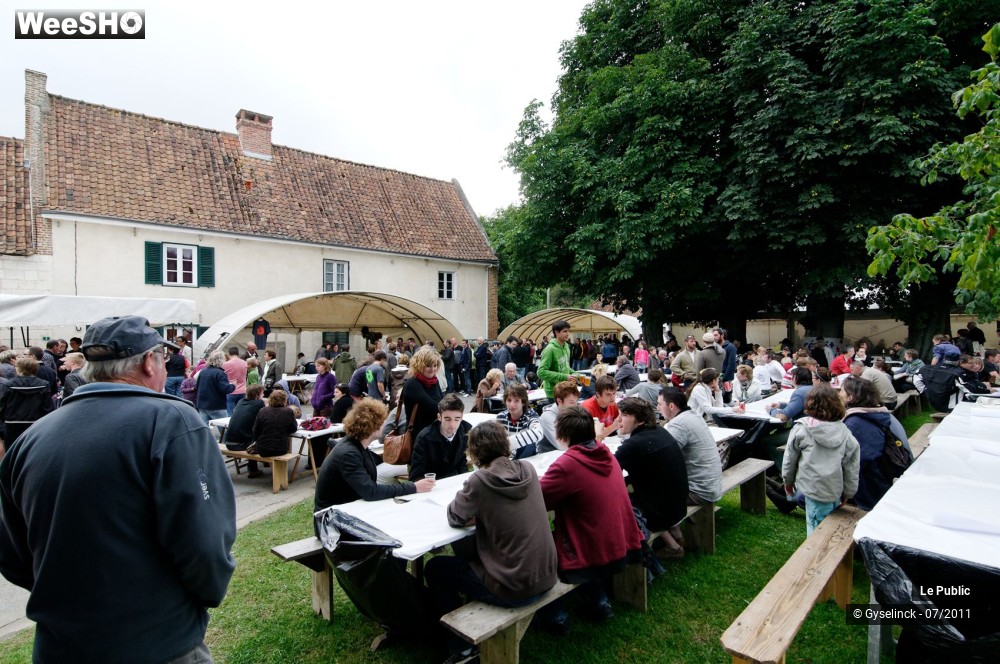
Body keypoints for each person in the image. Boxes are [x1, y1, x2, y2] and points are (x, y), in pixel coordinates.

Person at [0, 315, 235, 662]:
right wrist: (205, 594)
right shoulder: (171, 420)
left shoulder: (31, 438)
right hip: (155, 643)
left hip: (60, 645)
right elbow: (204, 540)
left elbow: (13, 553)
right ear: (148, 362)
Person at [425, 421, 558, 661]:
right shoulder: (527, 468)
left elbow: (455, 516)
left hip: (515, 586)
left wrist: (480, 514)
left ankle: (460, 648)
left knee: (435, 568)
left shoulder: (480, 481)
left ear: (474, 452)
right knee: (467, 549)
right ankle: (555, 615)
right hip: (547, 573)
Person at [539, 405, 643, 627]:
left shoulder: (568, 464)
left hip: (592, 550)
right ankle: (599, 601)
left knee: (536, 543)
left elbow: (536, 500)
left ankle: (555, 614)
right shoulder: (604, 452)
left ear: (562, 435)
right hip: (621, 541)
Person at [314, 399, 434, 517]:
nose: (385, 424)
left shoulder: (357, 446)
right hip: (330, 519)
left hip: (345, 510)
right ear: (374, 425)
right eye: (383, 421)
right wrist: (413, 487)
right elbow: (370, 492)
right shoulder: (349, 453)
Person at [778, 385, 860, 532]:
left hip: (813, 488)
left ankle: (819, 553)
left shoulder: (802, 429)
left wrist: (788, 481)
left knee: (816, 529)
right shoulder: (845, 431)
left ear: (810, 403)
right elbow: (852, 465)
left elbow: (789, 459)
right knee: (827, 523)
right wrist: (849, 491)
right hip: (834, 488)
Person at [615, 397, 688, 558]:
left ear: (639, 421)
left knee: (616, 502)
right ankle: (676, 536)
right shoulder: (659, 431)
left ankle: (671, 547)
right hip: (679, 505)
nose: (618, 419)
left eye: (624, 415)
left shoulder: (633, 445)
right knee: (633, 489)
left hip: (662, 514)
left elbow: (607, 476)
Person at [840, 376, 911, 511]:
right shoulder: (878, 413)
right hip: (885, 478)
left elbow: (855, 463)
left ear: (850, 397)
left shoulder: (855, 423)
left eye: (842, 391)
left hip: (872, 490)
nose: (839, 394)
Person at [657, 386, 723, 505]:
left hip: (699, 491)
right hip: (711, 485)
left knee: (646, 491)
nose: (657, 408)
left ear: (671, 406)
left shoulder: (678, 424)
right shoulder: (694, 415)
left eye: (660, 404)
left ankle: (668, 522)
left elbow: (663, 457)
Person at [408, 394, 471, 482]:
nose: (452, 425)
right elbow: (416, 475)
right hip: (432, 484)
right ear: (439, 417)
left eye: (457, 419)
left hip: (455, 482)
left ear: (461, 418)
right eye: (447, 419)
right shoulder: (424, 438)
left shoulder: (465, 432)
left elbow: (462, 463)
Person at [0, 357, 54, 444]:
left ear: (20, 368)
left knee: (12, 449)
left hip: (12, 422)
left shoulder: (9, 384)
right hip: (36, 422)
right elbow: (47, 406)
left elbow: (3, 404)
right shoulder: (44, 384)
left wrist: (3, 419)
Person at [401, 346, 445, 439]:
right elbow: (434, 407)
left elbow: (443, 403)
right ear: (419, 365)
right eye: (428, 366)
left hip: (435, 432)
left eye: (435, 365)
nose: (432, 369)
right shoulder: (412, 384)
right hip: (419, 436)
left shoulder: (434, 380)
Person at [224, 383, 267, 478]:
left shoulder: (241, 401)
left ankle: (258, 466)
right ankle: (254, 469)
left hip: (228, 442)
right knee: (258, 438)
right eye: (262, 393)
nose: (263, 395)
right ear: (257, 395)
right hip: (241, 445)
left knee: (250, 434)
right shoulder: (259, 403)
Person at [496, 383, 543, 458]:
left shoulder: (531, 415)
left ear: (523, 402)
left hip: (528, 458)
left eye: (516, 401)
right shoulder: (501, 417)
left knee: (529, 443)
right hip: (507, 459)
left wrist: (507, 443)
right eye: (509, 400)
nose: (512, 405)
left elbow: (538, 433)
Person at [537, 320, 576, 399]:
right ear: (556, 332)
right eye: (565, 331)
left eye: (568, 331)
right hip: (553, 392)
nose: (568, 334)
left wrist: (575, 374)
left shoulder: (566, 346)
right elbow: (541, 372)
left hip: (565, 389)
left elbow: (565, 367)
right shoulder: (550, 349)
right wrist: (564, 377)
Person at [538, 380, 580, 453]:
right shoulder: (548, 417)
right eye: (571, 402)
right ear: (559, 401)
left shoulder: (573, 412)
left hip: (569, 453)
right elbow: (561, 446)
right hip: (548, 457)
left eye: (576, 401)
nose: (575, 406)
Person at [195, 350, 235, 424]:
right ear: (221, 360)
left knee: (206, 429)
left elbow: (196, 386)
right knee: (223, 429)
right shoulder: (220, 373)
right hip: (216, 405)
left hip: (202, 404)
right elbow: (225, 389)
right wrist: (233, 385)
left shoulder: (203, 371)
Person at [580, 375, 621, 440]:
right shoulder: (586, 408)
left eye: (614, 393)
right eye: (608, 394)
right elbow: (593, 438)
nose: (613, 398)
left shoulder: (613, 404)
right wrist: (613, 426)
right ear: (598, 394)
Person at [222, 346, 247, 416]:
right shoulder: (245, 363)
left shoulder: (226, 364)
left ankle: (229, 426)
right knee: (240, 412)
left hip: (231, 390)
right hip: (243, 390)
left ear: (229, 353)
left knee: (230, 414)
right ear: (238, 353)